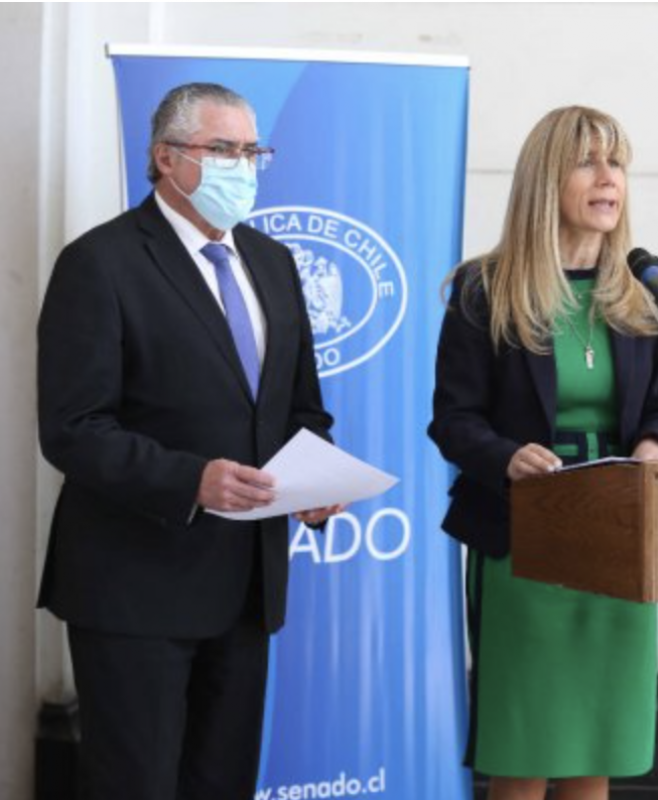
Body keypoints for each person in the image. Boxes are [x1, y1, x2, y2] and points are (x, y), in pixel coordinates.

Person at [37, 82, 340, 800]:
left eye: (252, 151)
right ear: (165, 158)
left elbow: (300, 407)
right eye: (223, 149)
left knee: (222, 783)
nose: (244, 166)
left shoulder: (272, 261)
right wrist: (190, 480)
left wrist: (317, 479)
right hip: (133, 587)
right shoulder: (100, 262)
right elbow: (73, 428)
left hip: (245, 587)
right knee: (135, 784)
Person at [428, 106, 658, 800]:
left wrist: (654, 448)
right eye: (587, 162)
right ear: (546, 180)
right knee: (527, 743)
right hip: (524, 540)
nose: (609, 178)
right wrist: (505, 456)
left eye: (617, 163)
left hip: (620, 534)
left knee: (592, 743)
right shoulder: (486, 290)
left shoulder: (644, 290)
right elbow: (453, 420)